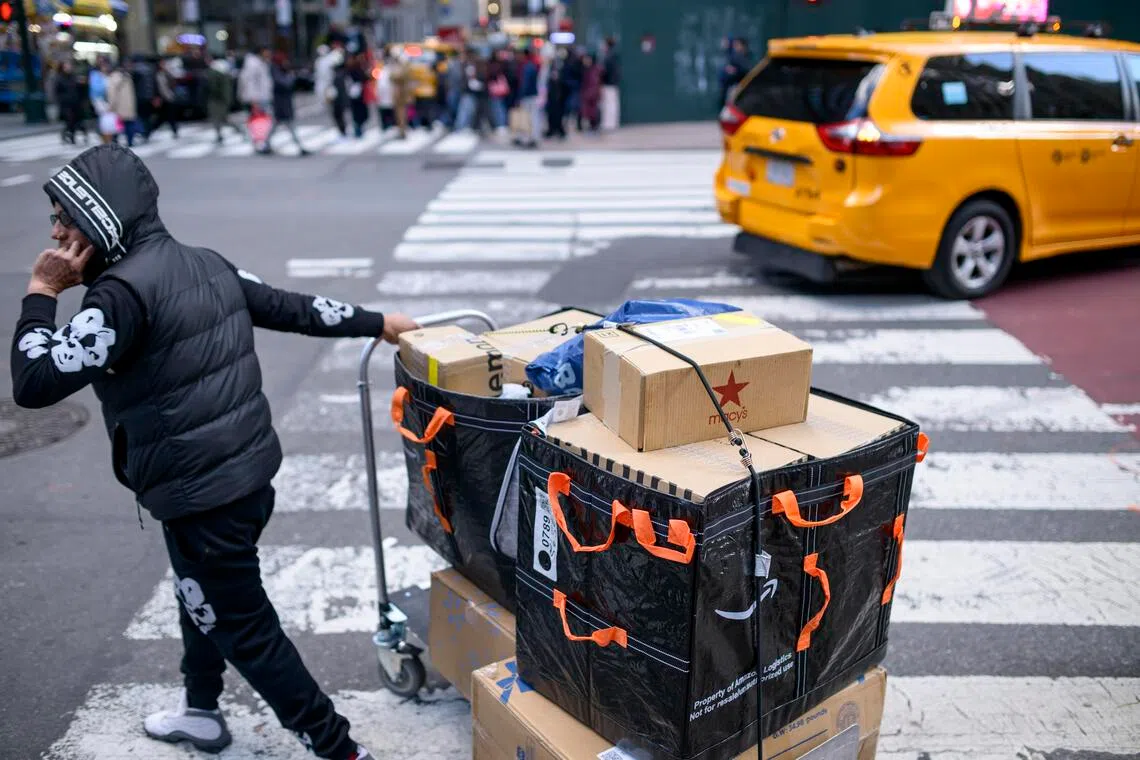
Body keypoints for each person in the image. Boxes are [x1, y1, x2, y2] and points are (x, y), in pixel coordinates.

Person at [10, 144, 420, 759]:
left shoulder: (119, 298)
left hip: (203, 497)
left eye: (64, 215)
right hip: (249, 478)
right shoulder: (207, 263)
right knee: (200, 592)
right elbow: (293, 307)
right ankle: (201, 708)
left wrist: (43, 291)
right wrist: (375, 319)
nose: (55, 231)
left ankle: (340, 749)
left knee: (244, 629)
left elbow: (33, 382)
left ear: (100, 219)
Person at [265, 52, 311, 155]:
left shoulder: (280, 69)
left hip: (283, 103)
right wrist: (291, 76)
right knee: (289, 125)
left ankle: (266, 145)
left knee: (277, 125)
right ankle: (300, 147)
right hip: (281, 103)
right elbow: (284, 83)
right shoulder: (276, 69)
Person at [206, 54, 244, 144]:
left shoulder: (214, 70)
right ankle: (237, 130)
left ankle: (219, 135)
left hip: (216, 99)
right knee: (223, 117)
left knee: (217, 117)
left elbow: (213, 86)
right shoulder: (225, 68)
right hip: (225, 98)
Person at [106, 61, 140, 147]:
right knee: (129, 124)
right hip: (129, 105)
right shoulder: (127, 77)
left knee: (116, 125)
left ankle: (115, 142)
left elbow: (112, 94)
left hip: (118, 106)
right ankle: (130, 141)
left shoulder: (113, 78)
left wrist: (111, 106)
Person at [55, 60, 88, 145]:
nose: (68, 68)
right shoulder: (59, 79)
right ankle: (71, 137)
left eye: (69, 66)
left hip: (77, 103)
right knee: (70, 121)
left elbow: (81, 90)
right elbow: (57, 92)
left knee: (79, 121)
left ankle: (81, 135)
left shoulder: (75, 77)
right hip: (66, 104)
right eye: (66, 66)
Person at [150, 58, 180, 139]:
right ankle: (149, 131)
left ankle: (175, 131)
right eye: (162, 64)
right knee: (161, 118)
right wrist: (155, 97)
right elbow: (154, 87)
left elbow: (173, 83)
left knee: (170, 116)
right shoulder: (156, 74)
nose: (164, 65)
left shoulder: (167, 73)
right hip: (161, 99)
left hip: (169, 97)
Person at [600, 37, 621, 131]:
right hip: (611, 83)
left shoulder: (609, 56)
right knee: (611, 104)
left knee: (610, 104)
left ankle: (610, 124)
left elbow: (607, 71)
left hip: (609, 84)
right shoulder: (611, 55)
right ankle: (610, 124)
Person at [580, 53, 602, 132]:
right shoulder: (587, 69)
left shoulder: (594, 70)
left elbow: (594, 83)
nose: (585, 61)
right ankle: (592, 127)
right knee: (589, 112)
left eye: (587, 59)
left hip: (592, 95)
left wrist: (589, 94)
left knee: (592, 112)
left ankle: (594, 127)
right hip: (589, 94)